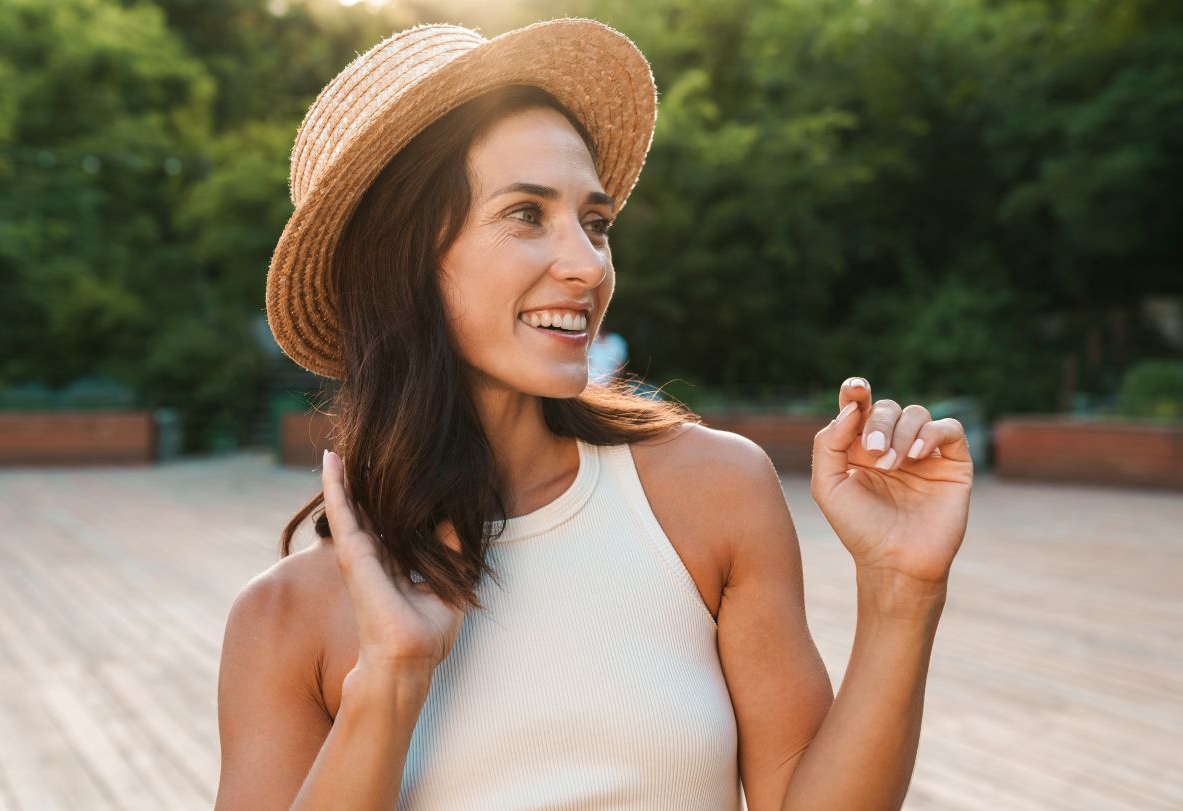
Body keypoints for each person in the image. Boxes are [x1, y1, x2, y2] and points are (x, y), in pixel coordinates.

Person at [214, 18, 975, 811]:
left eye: (597, 222)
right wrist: (393, 679)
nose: (587, 264)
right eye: (525, 214)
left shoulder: (712, 492)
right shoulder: (283, 619)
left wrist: (902, 591)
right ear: (399, 261)